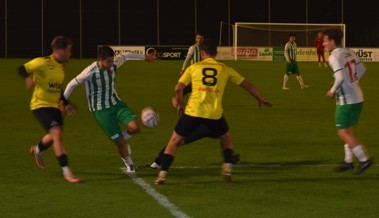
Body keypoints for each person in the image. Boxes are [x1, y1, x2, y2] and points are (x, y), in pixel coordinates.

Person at [155, 39, 272, 185]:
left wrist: (180, 104)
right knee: (226, 137)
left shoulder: (194, 67)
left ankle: (162, 174)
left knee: (174, 141)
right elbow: (246, 84)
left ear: (202, 53)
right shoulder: (225, 68)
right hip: (214, 114)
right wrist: (260, 98)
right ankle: (227, 168)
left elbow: (178, 88)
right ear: (216, 53)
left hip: (193, 112)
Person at [149, 33, 239, 169]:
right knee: (182, 140)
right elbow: (179, 92)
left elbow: (178, 91)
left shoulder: (201, 75)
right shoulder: (196, 79)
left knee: (222, 136)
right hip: (201, 121)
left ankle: (229, 159)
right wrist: (177, 101)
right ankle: (157, 162)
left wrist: (178, 102)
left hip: (204, 118)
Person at [63, 46, 157, 173]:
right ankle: (129, 164)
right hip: (101, 111)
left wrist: (146, 57)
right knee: (121, 144)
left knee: (135, 127)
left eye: (112, 60)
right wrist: (64, 103)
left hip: (116, 104)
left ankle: (122, 139)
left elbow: (127, 55)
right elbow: (71, 84)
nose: (111, 64)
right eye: (108, 61)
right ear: (100, 59)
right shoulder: (90, 72)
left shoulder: (113, 63)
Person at [17, 36, 80, 183]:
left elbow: (57, 87)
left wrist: (66, 103)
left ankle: (37, 150)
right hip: (40, 105)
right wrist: (30, 79)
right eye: (68, 51)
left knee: (53, 136)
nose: (70, 54)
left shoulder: (62, 66)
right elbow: (22, 69)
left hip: (55, 105)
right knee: (57, 133)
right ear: (61, 50)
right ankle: (66, 172)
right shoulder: (43, 62)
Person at [323, 28, 372, 174]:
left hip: (347, 100)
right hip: (357, 97)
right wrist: (352, 83)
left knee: (343, 132)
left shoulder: (333, 57)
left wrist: (332, 91)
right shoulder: (349, 51)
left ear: (333, 41)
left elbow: (340, 78)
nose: (324, 44)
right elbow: (362, 69)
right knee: (349, 130)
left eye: (325, 40)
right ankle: (348, 162)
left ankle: (364, 159)